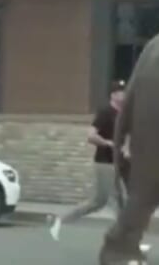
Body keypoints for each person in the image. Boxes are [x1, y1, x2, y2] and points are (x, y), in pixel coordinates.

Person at [48, 80, 149, 252]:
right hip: (104, 163)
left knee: (100, 202)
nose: (124, 95)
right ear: (113, 95)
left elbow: (129, 134)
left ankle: (60, 219)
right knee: (116, 202)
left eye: (125, 91)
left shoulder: (124, 114)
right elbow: (91, 136)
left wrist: (126, 148)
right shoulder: (105, 113)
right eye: (121, 92)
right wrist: (109, 144)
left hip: (120, 163)